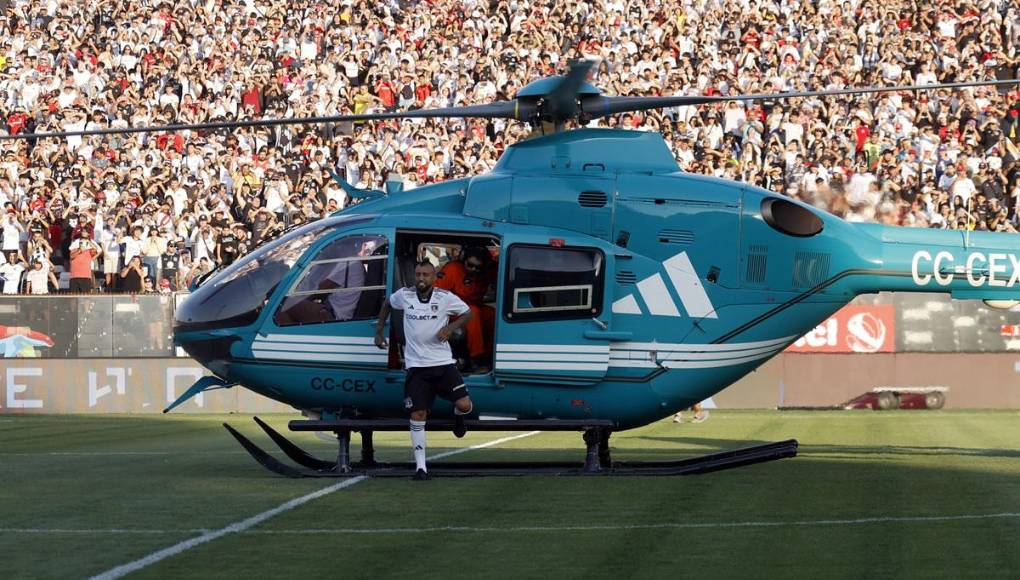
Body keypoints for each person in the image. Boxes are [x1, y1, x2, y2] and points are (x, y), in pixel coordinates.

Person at [374, 260, 474, 480]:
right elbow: (387, 304)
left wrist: (450, 327)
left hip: (443, 364)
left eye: (425, 274)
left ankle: (458, 417)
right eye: (418, 274)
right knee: (418, 415)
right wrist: (379, 331)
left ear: (434, 276)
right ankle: (421, 468)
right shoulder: (405, 295)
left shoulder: (445, 297)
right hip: (417, 367)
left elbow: (467, 313)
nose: (421, 278)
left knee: (465, 405)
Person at [435, 246, 496, 372]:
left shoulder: (488, 271)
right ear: (464, 260)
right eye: (470, 265)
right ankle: (476, 359)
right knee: (472, 312)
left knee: (493, 315)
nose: (473, 269)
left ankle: (490, 356)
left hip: (475, 306)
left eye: (478, 267)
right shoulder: (453, 269)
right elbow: (437, 296)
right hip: (451, 311)